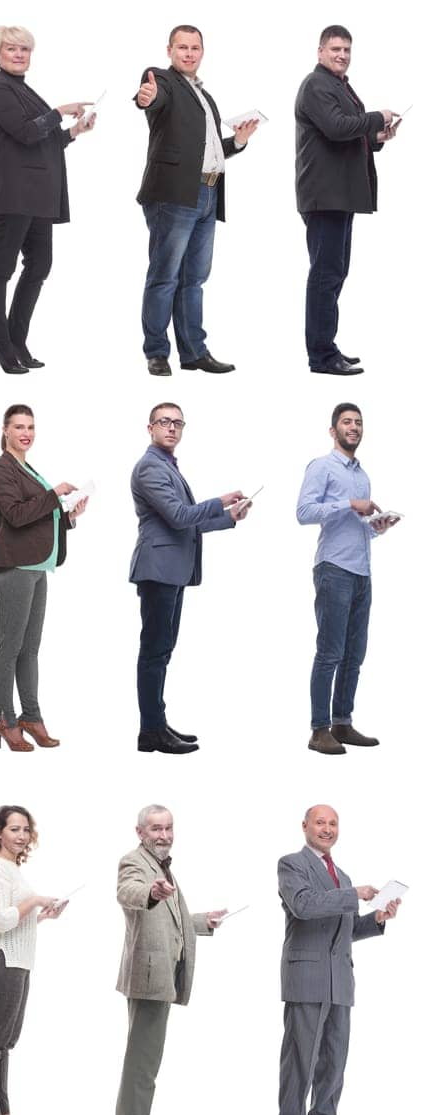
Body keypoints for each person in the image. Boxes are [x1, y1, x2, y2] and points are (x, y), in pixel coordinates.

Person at [133, 25, 258, 377]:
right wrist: (146, 96)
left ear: (203, 52)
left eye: (195, 48)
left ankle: (193, 352)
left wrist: (238, 141)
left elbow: (207, 150)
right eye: (182, 47)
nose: (189, 53)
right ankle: (157, 352)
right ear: (170, 50)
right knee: (164, 276)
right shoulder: (162, 80)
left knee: (194, 279)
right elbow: (151, 98)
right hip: (173, 195)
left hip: (207, 191)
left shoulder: (204, 95)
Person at [277, 804, 399, 1115]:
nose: (327, 829)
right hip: (306, 975)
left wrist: (375, 917)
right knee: (300, 1057)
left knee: (334, 1057)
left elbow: (344, 930)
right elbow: (304, 905)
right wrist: (353, 896)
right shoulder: (291, 864)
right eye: (320, 822)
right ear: (305, 826)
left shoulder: (342, 876)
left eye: (333, 823)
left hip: (340, 978)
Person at [129, 402, 247, 754]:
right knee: (154, 652)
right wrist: (219, 500)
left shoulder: (168, 466)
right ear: (149, 427)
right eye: (164, 422)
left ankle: (157, 724)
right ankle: (150, 730)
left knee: (162, 651)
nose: (172, 428)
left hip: (173, 570)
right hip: (158, 569)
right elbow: (180, 517)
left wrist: (230, 517)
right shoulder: (150, 467)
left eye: (178, 423)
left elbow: (186, 522)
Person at [0, 25, 95, 374]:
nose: (18, 55)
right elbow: (28, 133)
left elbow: (44, 140)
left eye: (24, 50)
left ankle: (16, 339)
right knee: (1, 269)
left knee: (39, 266)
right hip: (14, 194)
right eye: (12, 49)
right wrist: (60, 112)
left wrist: (73, 132)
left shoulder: (24, 91)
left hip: (40, 197)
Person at [113, 805, 226, 1115]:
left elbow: (172, 919)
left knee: (148, 1057)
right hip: (148, 976)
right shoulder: (135, 862)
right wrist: (151, 893)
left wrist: (204, 921)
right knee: (142, 1059)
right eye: (156, 829)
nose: (163, 835)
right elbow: (128, 892)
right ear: (140, 832)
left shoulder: (162, 867)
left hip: (163, 974)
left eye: (168, 828)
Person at [295, 26, 397, 376]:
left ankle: (327, 347)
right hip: (325, 196)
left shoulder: (338, 86)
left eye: (347, 50)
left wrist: (377, 136)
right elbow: (338, 127)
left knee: (335, 273)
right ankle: (321, 357)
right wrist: (377, 117)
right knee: (325, 276)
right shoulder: (316, 85)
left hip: (340, 195)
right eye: (336, 48)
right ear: (320, 50)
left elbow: (350, 130)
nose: (342, 55)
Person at [0, 403, 86, 752]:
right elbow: (15, 516)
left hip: (38, 567)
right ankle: (6, 719)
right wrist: (53, 494)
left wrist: (68, 516)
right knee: (10, 647)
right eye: (18, 427)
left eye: (30, 426)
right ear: (5, 430)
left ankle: (32, 716)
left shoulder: (27, 468)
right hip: (14, 568)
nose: (26, 433)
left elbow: (38, 517)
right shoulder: (0, 469)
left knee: (30, 649)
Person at [297, 403, 395, 755]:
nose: (353, 427)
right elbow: (303, 512)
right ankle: (318, 729)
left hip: (362, 572)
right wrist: (349, 503)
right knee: (330, 653)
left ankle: (342, 722)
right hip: (334, 569)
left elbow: (358, 528)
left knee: (355, 654)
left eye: (358, 422)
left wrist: (377, 529)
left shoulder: (362, 474)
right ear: (333, 430)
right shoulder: (322, 466)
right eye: (346, 422)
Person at [0, 804, 65, 1115]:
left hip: (17, 961)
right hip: (0, 962)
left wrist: (43, 916)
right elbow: (1, 920)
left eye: (26, 829)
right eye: (14, 829)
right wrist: (36, 900)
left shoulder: (11, 867)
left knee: (6, 1044)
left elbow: (15, 921)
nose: (21, 835)